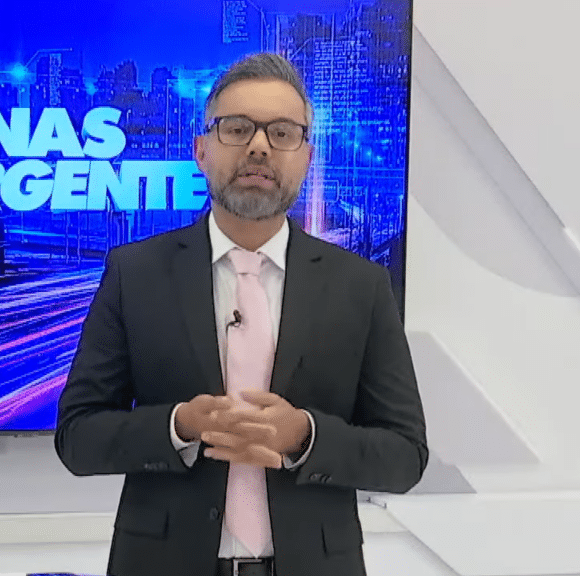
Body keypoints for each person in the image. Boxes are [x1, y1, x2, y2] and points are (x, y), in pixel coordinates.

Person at [55, 52, 427, 576]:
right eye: (236, 128)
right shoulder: (134, 273)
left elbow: (406, 455)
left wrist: (304, 437)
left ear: (307, 157)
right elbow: (77, 437)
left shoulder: (361, 285)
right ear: (201, 150)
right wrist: (180, 426)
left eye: (281, 132)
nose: (258, 146)